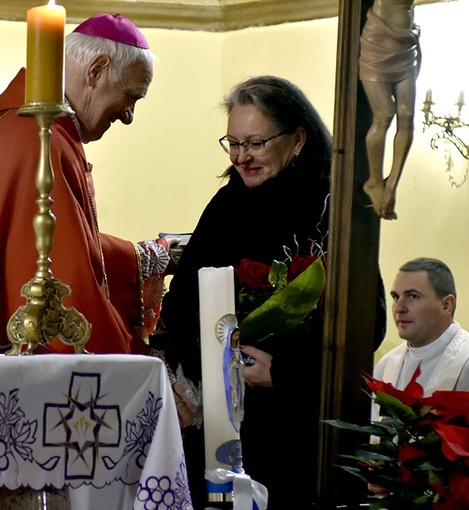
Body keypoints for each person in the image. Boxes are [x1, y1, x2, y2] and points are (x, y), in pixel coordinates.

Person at [0, 14, 171, 356]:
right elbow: (68, 284)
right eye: (131, 97)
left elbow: (33, 247)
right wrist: (135, 361)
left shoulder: (3, 126)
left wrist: (137, 257)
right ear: (96, 70)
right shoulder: (42, 143)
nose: (128, 115)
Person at [150, 75, 332, 509]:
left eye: (255, 143)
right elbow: (178, 306)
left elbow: (365, 318)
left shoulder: (330, 207)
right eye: (232, 143)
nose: (241, 157)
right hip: (212, 418)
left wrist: (287, 372)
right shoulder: (226, 204)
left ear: (298, 140)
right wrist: (177, 381)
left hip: (291, 424)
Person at [359, 0, 420, 221]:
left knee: (407, 116)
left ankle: (392, 183)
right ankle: (374, 181)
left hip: (406, 42)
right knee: (384, 114)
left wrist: (392, 185)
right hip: (379, 39)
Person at [375, 257, 469, 394]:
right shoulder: (386, 366)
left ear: (446, 305)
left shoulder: (465, 361)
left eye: (413, 296)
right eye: (396, 297)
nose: (399, 308)